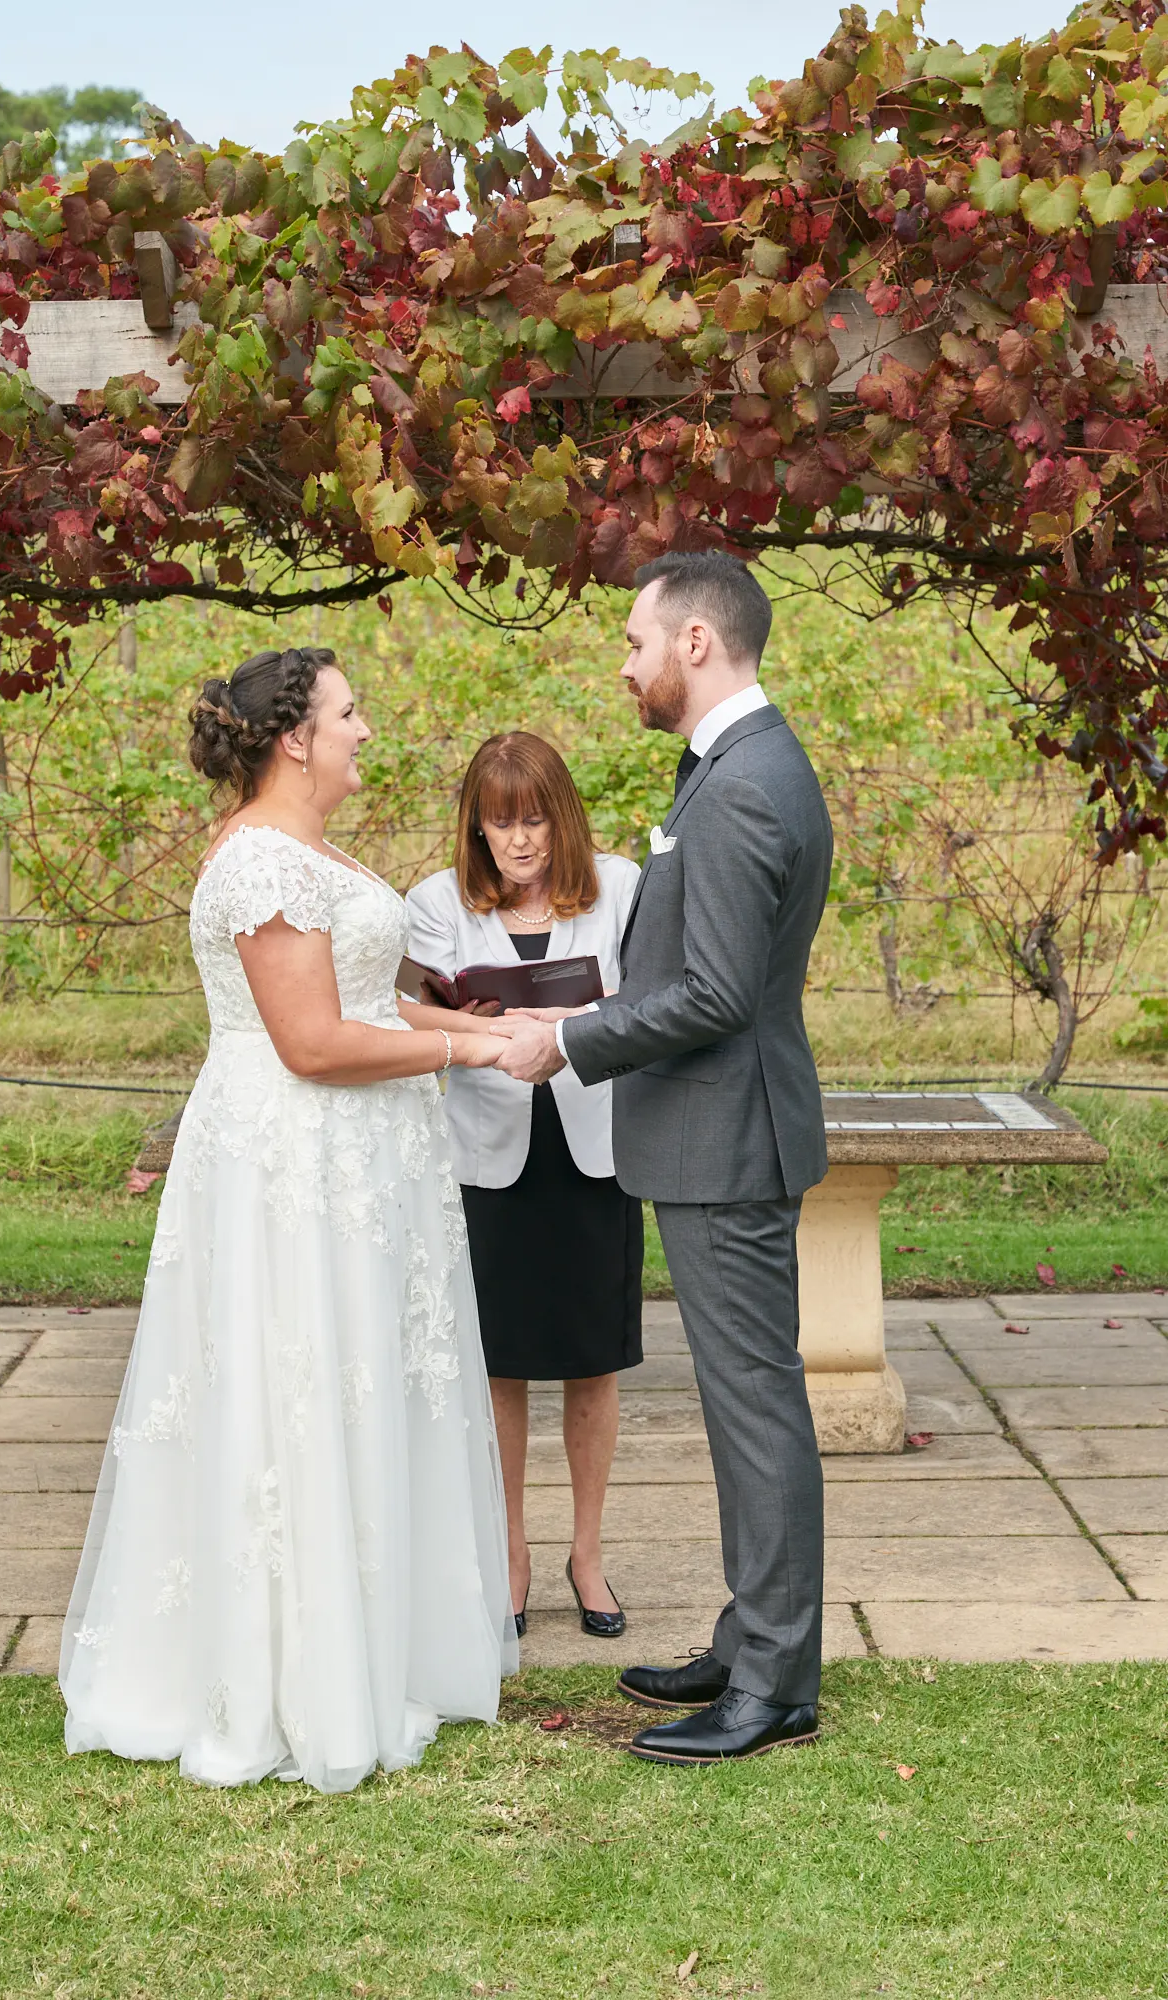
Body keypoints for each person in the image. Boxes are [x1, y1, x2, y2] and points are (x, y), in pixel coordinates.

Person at [60, 646, 517, 1793]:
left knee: (362, 1380)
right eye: (349, 712)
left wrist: (461, 1016)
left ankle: (375, 1642)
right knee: (298, 1387)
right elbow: (309, 1042)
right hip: (295, 1161)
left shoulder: (308, 849)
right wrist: (461, 1046)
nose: (367, 727)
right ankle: (293, 1677)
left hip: (360, 1158)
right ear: (294, 737)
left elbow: (359, 997)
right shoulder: (260, 861)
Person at [494, 551, 833, 1766]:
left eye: (636, 642)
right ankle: (751, 1641)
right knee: (746, 1403)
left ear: (696, 643)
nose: (625, 664)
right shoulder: (738, 766)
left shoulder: (743, 785)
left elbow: (716, 989)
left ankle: (775, 1683)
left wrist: (568, 1040)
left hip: (726, 1137)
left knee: (755, 1409)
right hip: (716, 1133)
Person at [404, 734, 642, 1643]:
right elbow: (416, 1011)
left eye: (535, 818)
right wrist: (520, 1024)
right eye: (500, 823)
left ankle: (587, 1552)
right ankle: (510, 1554)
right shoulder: (434, 903)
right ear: (476, 827)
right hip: (489, 1157)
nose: (521, 841)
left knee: (593, 1358)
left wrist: (552, 1019)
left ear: (562, 817)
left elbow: (642, 998)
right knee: (498, 1364)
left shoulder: (618, 887)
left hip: (594, 1150)